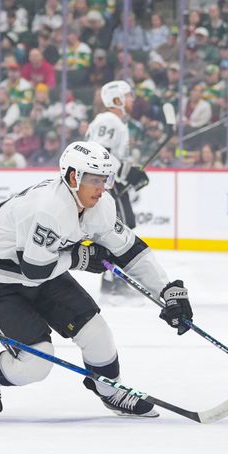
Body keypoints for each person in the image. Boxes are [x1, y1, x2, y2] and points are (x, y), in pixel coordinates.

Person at [0, 140, 193, 417]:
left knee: (97, 333)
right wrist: (78, 258)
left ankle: (110, 392)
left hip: (45, 271)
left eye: (105, 179)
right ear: (73, 177)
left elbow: (129, 249)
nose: (101, 188)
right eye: (94, 180)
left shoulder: (100, 205)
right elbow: (33, 270)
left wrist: (165, 290)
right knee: (36, 362)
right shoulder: (50, 209)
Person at [85, 81, 150, 300]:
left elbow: (112, 158)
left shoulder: (115, 122)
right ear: (117, 100)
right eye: (128, 96)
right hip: (104, 185)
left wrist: (130, 173)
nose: (132, 100)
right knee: (119, 231)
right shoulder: (108, 120)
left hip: (110, 183)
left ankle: (112, 282)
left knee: (122, 229)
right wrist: (125, 172)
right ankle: (113, 284)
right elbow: (100, 153)